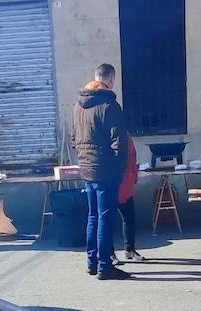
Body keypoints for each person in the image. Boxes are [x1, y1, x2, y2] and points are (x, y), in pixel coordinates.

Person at [73, 63, 131, 280]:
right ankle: (105, 265)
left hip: (87, 169)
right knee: (105, 218)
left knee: (93, 216)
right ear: (111, 79)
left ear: (95, 77)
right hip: (106, 170)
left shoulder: (78, 106)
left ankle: (92, 262)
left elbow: (74, 139)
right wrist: (120, 168)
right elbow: (119, 141)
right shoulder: (109, 105)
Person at [115, 133, 144, 262]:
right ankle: (110, 254)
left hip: (126, 183)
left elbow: (132, 158)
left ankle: (130, 249)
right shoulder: (110, 136)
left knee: (129, 219)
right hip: (113, 183)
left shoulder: (126, 136)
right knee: (107, 221)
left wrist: (134, 175)